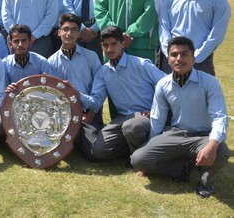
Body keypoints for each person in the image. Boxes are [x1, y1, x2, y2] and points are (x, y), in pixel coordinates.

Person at [130, 36, 229, 199]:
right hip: (175, 134)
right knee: (138, 160)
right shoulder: (163, 84)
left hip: (202, 137)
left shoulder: (210, 82)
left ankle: (205, 180)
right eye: (174, 55)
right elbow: (157, 119)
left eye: (184, 54)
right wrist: (149, 151)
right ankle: (182, 168)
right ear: (168, 59)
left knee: (221, 152)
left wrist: (212, 144)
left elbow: (220, 117)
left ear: (193, 58)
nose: (179, 59)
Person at [87, 26, 165, 162]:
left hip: (145, 116)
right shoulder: (103, 72)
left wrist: (155, 110)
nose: (109, 49)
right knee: (98, 150)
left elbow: (167, 85)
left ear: (123, 44)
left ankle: (141, 157)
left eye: (114, 44)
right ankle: (136, 149)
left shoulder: (141, 64)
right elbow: (96, 101)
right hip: (122, 118)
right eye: (105, 45)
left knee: (132, 127)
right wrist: (75, 93)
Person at [159, 0, 230, 75]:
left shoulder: (218, 0)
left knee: (202, 88)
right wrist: (170, 54)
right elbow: (163, 28)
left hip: (202, 61)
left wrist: (196, 57)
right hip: (171, 61)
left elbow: (217, 34)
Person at [47, 13, 103, 161]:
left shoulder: (91, 57)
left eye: (74, 30)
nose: (69, 33)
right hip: (63, 115)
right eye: (65, 29)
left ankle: (82, 136)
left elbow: (100, 91)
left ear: (79, 34)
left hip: (88, 114)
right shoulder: (51, 62)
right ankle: (75, 137)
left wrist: (91, 112)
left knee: (93, 153)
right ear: (59, 32)